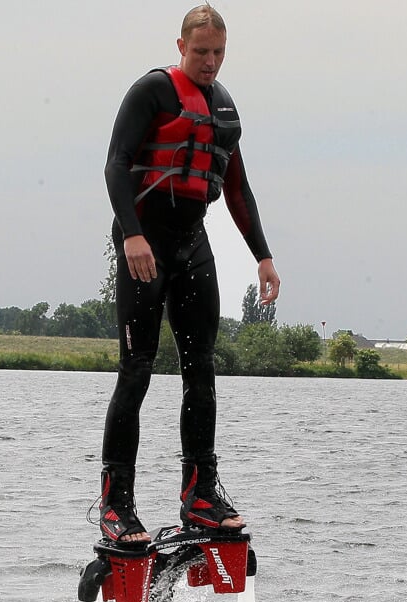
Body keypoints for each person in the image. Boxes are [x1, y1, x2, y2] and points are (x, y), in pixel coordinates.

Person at [96, 4, 280, 546]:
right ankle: (116, 505)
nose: (210, 62)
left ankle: (199, 494)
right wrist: (131, 235)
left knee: (202, 369)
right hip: (144, 242)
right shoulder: (150, 92)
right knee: (137, 370)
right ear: (180, 47)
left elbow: (238, 190)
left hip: (192, 244)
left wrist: (263, 257)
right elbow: (115, 162)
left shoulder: (224, 108)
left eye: (219, 53)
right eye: (201, 52)